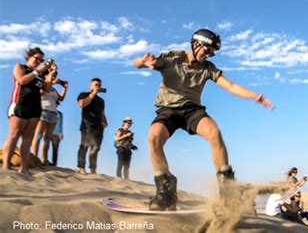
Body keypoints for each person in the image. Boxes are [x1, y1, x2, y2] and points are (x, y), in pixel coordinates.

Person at [132, 29, 273, 211]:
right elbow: (135, 64)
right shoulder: (172, 58)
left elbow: (230, 86)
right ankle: (166, 191)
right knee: (153, 137)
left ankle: (227, 190)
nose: (208, 55)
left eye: (212, 53)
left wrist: (256, 97)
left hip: (192, 111)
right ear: (196, 44)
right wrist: (142, 62)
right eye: (207, 50)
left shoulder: (208, 68)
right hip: (168, 110)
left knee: (214, 132)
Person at [2, 47, 52, 173]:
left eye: (41, 60)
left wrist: (50, 73)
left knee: (28, 137)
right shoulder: (20, 67)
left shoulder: (40, 73)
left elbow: (46, 89)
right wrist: (37, 71)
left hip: (35, 106)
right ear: (29, 57)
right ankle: (6, 166)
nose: (39, 61)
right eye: (37, 58)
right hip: (20, 103)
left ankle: (24, 168)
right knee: (14, 134)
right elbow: (22, 80)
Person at [31, 66, 68, 164]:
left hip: (53, 113)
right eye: (52, 75)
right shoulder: (42, 85)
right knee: (38, 135)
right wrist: (51, 80)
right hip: (43, 111)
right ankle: (34, 156)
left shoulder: (54, 89)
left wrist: (64, 89)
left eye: (55, 76)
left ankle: (44, 158)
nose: (54, 77)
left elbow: (60, 99)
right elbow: (41, 92)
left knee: (47, 137)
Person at [77, 78, 108, 175]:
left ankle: (93, 169)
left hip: (98, 126)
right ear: (91, 86)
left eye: (99, 85)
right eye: (96, 85)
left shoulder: (101, 100)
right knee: (84, 146)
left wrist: (105, 121)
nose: (98, 87)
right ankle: (81, 167)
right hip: (87, 125)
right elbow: (81, 104)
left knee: (96, 148)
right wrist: (92, 94)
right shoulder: (84, 94)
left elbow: (102, 112)